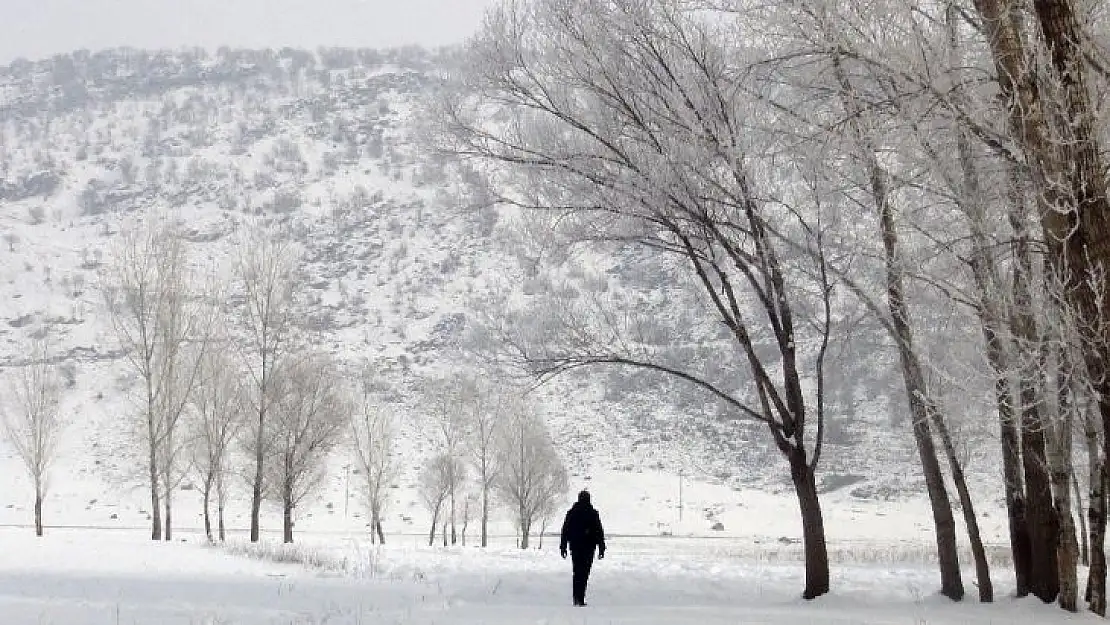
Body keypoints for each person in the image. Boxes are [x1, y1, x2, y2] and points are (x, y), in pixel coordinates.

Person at [559, 490, 606, 606]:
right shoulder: (593, 513)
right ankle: (580, 597)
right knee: (584, 573)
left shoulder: (572, 513)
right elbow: (599, 532)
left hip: (575, 547)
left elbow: (565, 530)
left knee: (577, 571)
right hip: (589, 547)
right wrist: (601, 548)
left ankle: (576, 597)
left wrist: (563, 546)